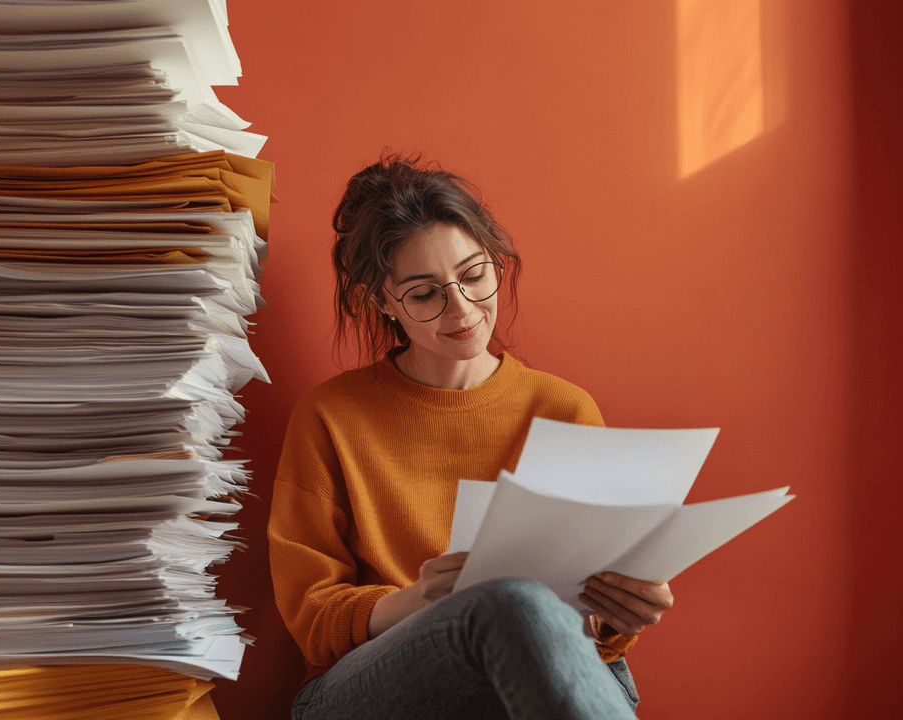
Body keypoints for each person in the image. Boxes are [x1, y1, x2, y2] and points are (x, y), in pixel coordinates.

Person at [268, 154, 674, 720]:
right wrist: (423, 600)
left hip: (544, 681)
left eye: (474, 275)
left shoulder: (564, 410)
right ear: (383, 301)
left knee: (521, 607)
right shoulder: (330, 416)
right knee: (508, 599)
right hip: (370, 691)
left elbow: (585, 635)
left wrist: (622, 612)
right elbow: (314, 620)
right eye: (424, 292)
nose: (462, 309)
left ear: (496, 263)